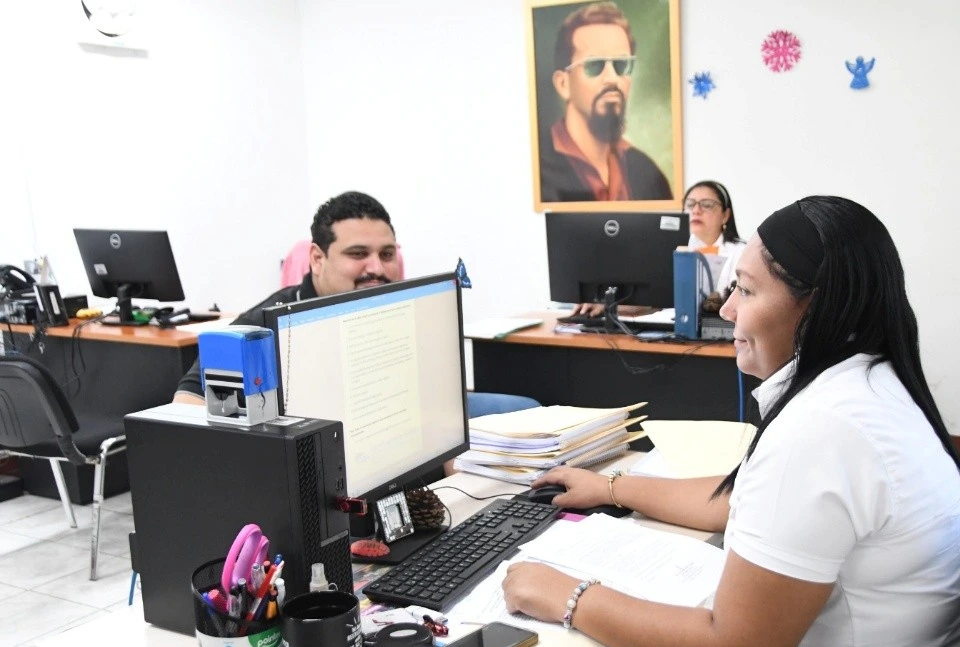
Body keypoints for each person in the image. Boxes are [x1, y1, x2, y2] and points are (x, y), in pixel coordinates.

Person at [502, 196, 960, 647]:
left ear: (817, 308)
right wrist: (610, 487)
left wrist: (567, 595)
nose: (727, 310)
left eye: (746, 291)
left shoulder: (823, 431)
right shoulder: (868, 385)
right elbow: (734, 501)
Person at [173, 191, 539, 418]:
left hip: (410, 418)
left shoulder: (402, 305)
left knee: (529, 413)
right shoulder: (266, 324)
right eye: (358, 254)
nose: (377, 268)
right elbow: (187, 403)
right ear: (317, 259)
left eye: (387, 254)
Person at [539, 1, 672, 203]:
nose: (612, 78)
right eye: (594, 65)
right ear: (563, 84)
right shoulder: (537, 170)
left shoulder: (648, 174)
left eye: (621, 65)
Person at [569, 179, 744, 318]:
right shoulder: (672, 250)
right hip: (677, 338)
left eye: (707, 204)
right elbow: (650, 302)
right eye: (690, 204)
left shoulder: (741, 253)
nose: (696, 210)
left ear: (725, 215)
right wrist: (605, 305)